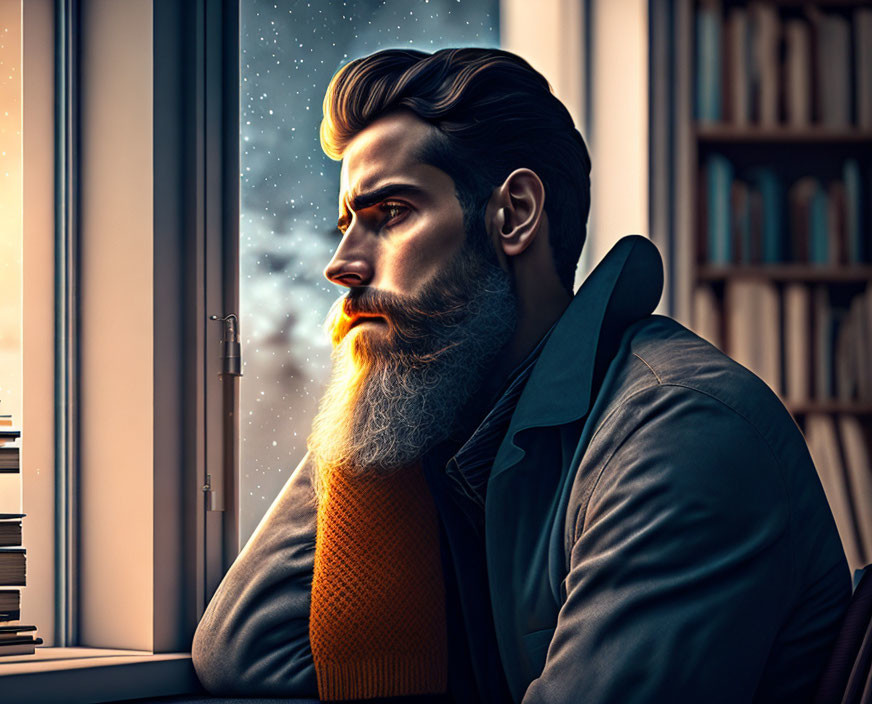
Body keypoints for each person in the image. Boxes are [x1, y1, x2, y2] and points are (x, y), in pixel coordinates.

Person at [191, 47, 851, 703]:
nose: (341, 264)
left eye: (389, 214)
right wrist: (368, 412)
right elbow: (246, 654)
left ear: (514, 216)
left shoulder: (681, 432)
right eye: (345, 226)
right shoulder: (447, 414)